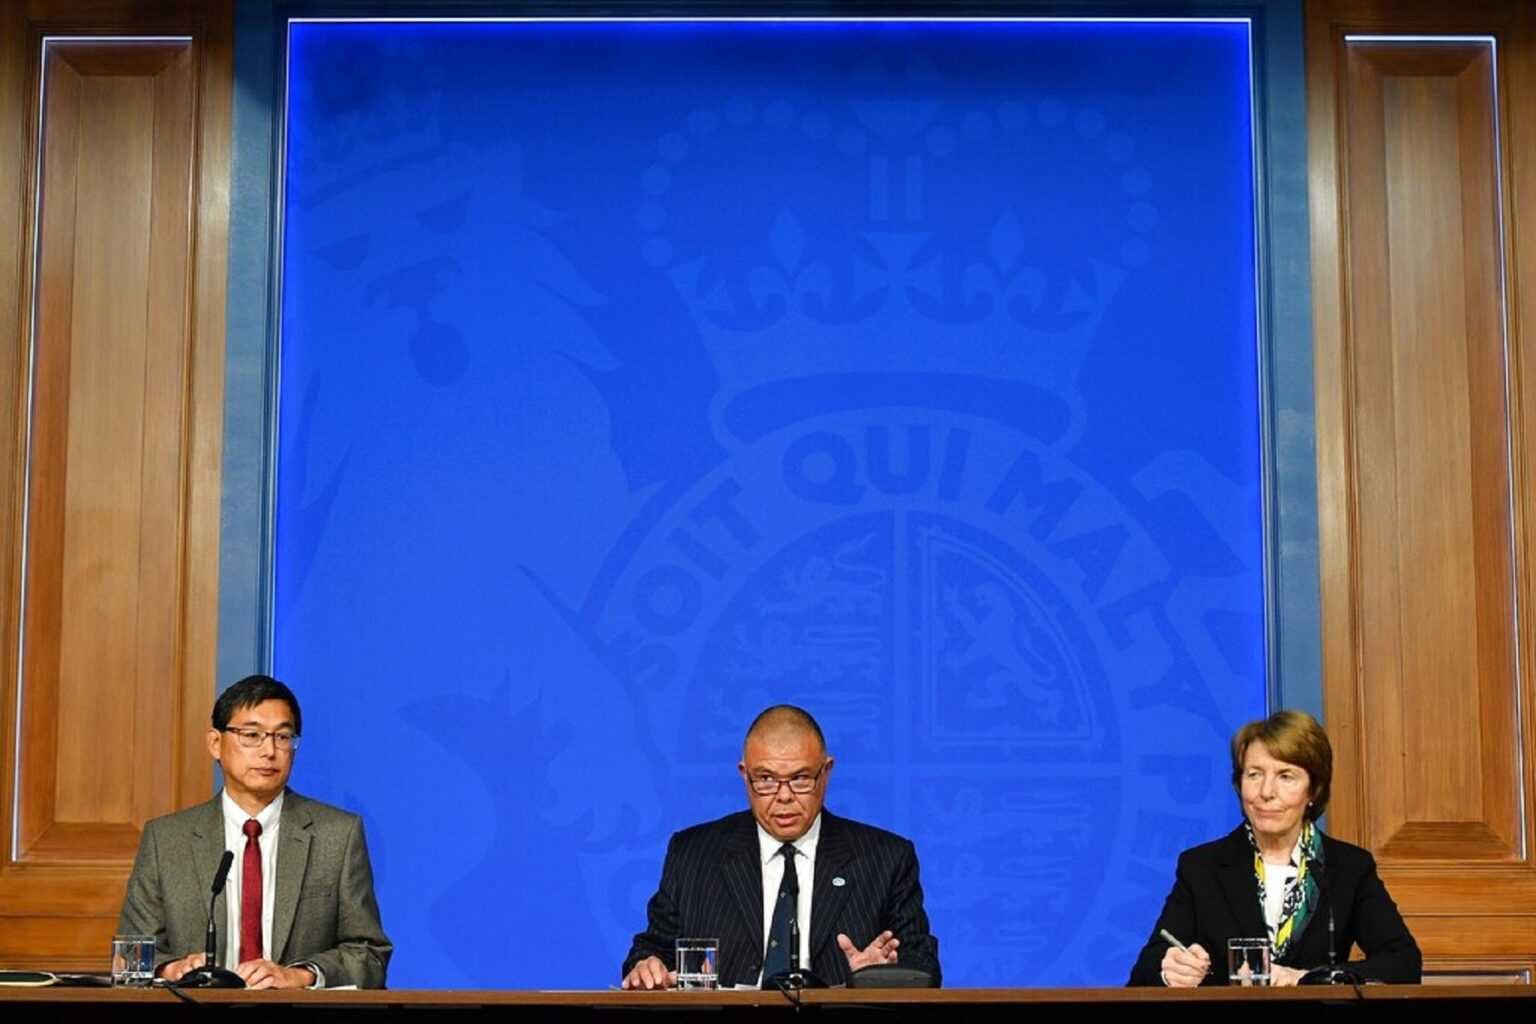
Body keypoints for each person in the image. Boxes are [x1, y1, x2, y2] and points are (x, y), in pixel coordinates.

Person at [621, 705, 941, 988]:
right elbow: (650, 953)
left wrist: (873, 979)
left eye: (800, 778)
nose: (784, 796)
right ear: (744, 775)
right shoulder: (693, 855)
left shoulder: (885, 859)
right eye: (766, 779)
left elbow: (923, 966)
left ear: (826, 773)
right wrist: (647, 967)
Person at [118, 675, 392, 988]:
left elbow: (369, 954)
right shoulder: (166, 839)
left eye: (283, 737)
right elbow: (132, 956)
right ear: (215, 743)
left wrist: (301, 975)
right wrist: (172, 969)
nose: (269, 751)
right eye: (252, 735)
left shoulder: (338, 835)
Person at [1128, 709, 1421, 986]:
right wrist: (1171, 970)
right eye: (1254, 774)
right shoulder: (1202, 866)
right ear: (1239, 783)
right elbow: (1146, 970)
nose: (1266, 792)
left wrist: (1308, 979)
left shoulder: (1348, 867)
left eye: (1285, 776)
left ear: (1313, 790)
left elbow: (1403, 962)